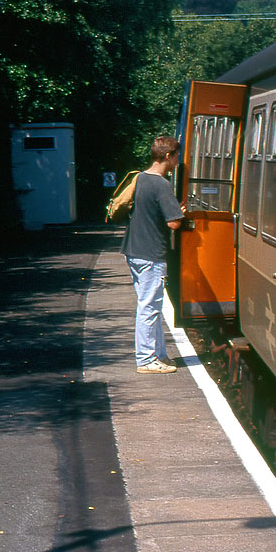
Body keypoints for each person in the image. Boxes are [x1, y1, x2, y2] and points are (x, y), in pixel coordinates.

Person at [121, 136, 186, 374]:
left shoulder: (141, 178)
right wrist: (180, 213)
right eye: (177, 156)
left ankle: (158, 355)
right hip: (151, 254)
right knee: (149, 307)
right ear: (167, 156)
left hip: (134, 250)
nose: (178, 161)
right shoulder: (161, 184)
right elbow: (174, 224)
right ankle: (146, 360)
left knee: (151, 305)